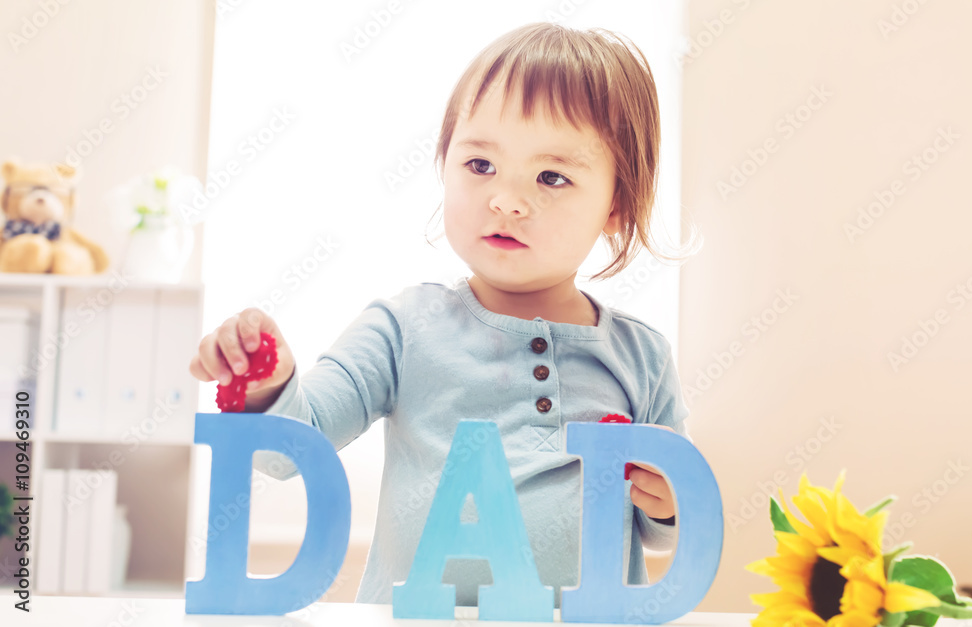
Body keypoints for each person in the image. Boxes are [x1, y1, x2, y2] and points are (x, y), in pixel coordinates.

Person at [189, 21, 698, 608]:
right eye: (480, 165)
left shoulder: (643, 356)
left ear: (617, 205)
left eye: (552, 176)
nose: (506, 199)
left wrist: (670, 500)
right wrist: (267, 384)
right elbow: (286, 452)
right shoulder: (402, 329)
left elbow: (661, 533)